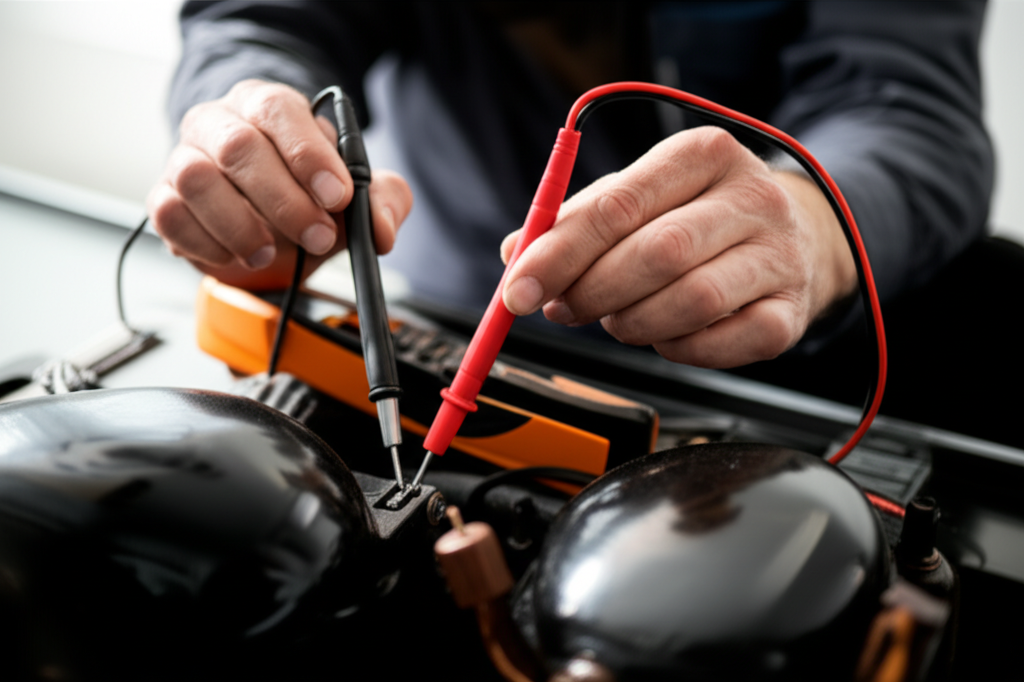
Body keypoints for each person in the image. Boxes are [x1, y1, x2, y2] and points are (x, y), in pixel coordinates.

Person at [149, 2, 998, 424]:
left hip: (808, 389)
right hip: (455, 334)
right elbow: (260, 20)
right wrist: (250, 118)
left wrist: (808, 224)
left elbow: (911, 110)